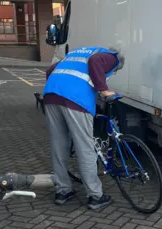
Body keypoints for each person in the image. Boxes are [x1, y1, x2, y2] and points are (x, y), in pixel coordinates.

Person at [43, 46, 125, 209]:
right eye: (114, 72)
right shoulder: (112, 57)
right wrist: (103, 90)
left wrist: (59, 87)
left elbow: (51, 69)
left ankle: (63, 191)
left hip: (51, 94)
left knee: (58, 146)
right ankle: (95, 196)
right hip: (75, 99)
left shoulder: (79, 52)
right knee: (85, 147)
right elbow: (96, 62)